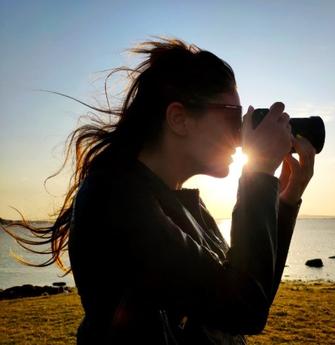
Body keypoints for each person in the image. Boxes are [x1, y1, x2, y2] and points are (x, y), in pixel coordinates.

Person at [3, 38, 315, 344]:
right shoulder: (113, 199)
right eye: (234, 117)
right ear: (179, 119)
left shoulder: (182, 203)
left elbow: (249, 293)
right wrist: (258, 174)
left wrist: (285, 201)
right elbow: (244, 309)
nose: (242, 134)